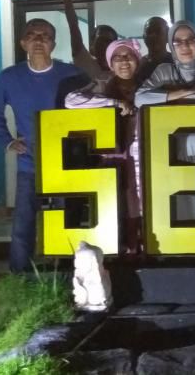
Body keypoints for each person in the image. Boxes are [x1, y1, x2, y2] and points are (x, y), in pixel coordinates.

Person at [0, 18, 81, 272]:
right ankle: (19, 278)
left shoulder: (71, 74)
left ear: (54, 44)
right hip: (29, 163)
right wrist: (7, 141)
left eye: (45, 35)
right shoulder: (9, 78)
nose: (38, 40)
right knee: (23, 224)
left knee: (67, 220)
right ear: (22, 43)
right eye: (32, 35)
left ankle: (69, 275)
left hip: (65, 162)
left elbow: (90, 107)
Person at [135, 20, 195, 222]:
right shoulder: (164, 70)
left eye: (190, 40)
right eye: (178, 41)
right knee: (180, 202)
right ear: (170, 45)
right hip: (172, 145)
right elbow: (140, 98)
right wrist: (185, 92)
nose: (185, 46)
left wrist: (166, 98)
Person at [65, 39, 144, 253]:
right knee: (114, 205)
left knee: (141, 203)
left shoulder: (148, 83)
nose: (124, 61)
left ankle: (139, 251)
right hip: (112, 156)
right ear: (110, 63)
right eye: (117, 57)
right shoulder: (102, 83)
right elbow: (71, 101)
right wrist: (114, 103)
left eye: (128, 56)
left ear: (137, 60)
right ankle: (118, 254)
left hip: (141, 155)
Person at [58, 0, 117, 81]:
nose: (104, 45)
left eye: (108, 41)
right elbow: (73, 27)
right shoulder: (85, 62)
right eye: (101, 41)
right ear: (92, 45)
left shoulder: (122, 68)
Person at [136, 16, 172, 83]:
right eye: (149, 31)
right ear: (144, 37)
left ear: (168, 37)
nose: (153, 36)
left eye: (158, 32)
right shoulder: (138, 66)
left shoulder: (177, 64)